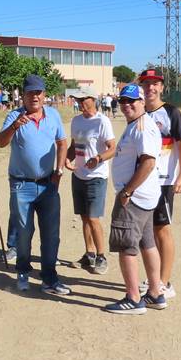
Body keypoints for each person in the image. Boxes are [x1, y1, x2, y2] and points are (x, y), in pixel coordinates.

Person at [0, 74, 70, 296]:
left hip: (48, 185)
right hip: (22, 185)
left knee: (51, 233)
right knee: (24, 232)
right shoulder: (14, 116)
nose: (34, 97)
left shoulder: (54, 115)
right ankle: (23, 271)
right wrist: (14, 127)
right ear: (23, 96)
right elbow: (0, 142)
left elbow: (62, 142)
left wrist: (59, 170)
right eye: (30, 93)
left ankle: (49, 278)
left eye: (38, 92)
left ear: (44, 95)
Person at [104, 84, 166, 315]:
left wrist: (127, 191)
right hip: (145, 197)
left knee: (126, 245)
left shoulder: (141, 127)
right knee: (147, 243)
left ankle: (133, 298)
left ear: (142, 102)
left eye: (132, 101)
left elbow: (148, 162)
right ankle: (155, 292)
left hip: (135, 198)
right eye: (123, 101)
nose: (127, 105)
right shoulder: (137, 125)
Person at [139, 68, 181, 300]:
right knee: (147, 231)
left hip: (164, 182)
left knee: (162, 230)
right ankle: (154, 278)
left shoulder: (171, 112)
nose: (151, 88)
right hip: (143, 181)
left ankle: (165, 283)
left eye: (155, 84)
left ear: (161, 87)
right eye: (147, 84)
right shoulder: (139, 113)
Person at [66, 86, 117, 274]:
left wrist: (99, 158)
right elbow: (73, 146)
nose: (79, 103)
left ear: (93, 99)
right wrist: (67, 159)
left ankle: (102, 256)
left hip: (96, 177)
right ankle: (89, 255)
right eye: (77, 100)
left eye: (82, 100)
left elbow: (112, 147)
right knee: (84, 217)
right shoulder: (76, 120)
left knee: (94, 218)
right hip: (78, 175)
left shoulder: (102, 121)